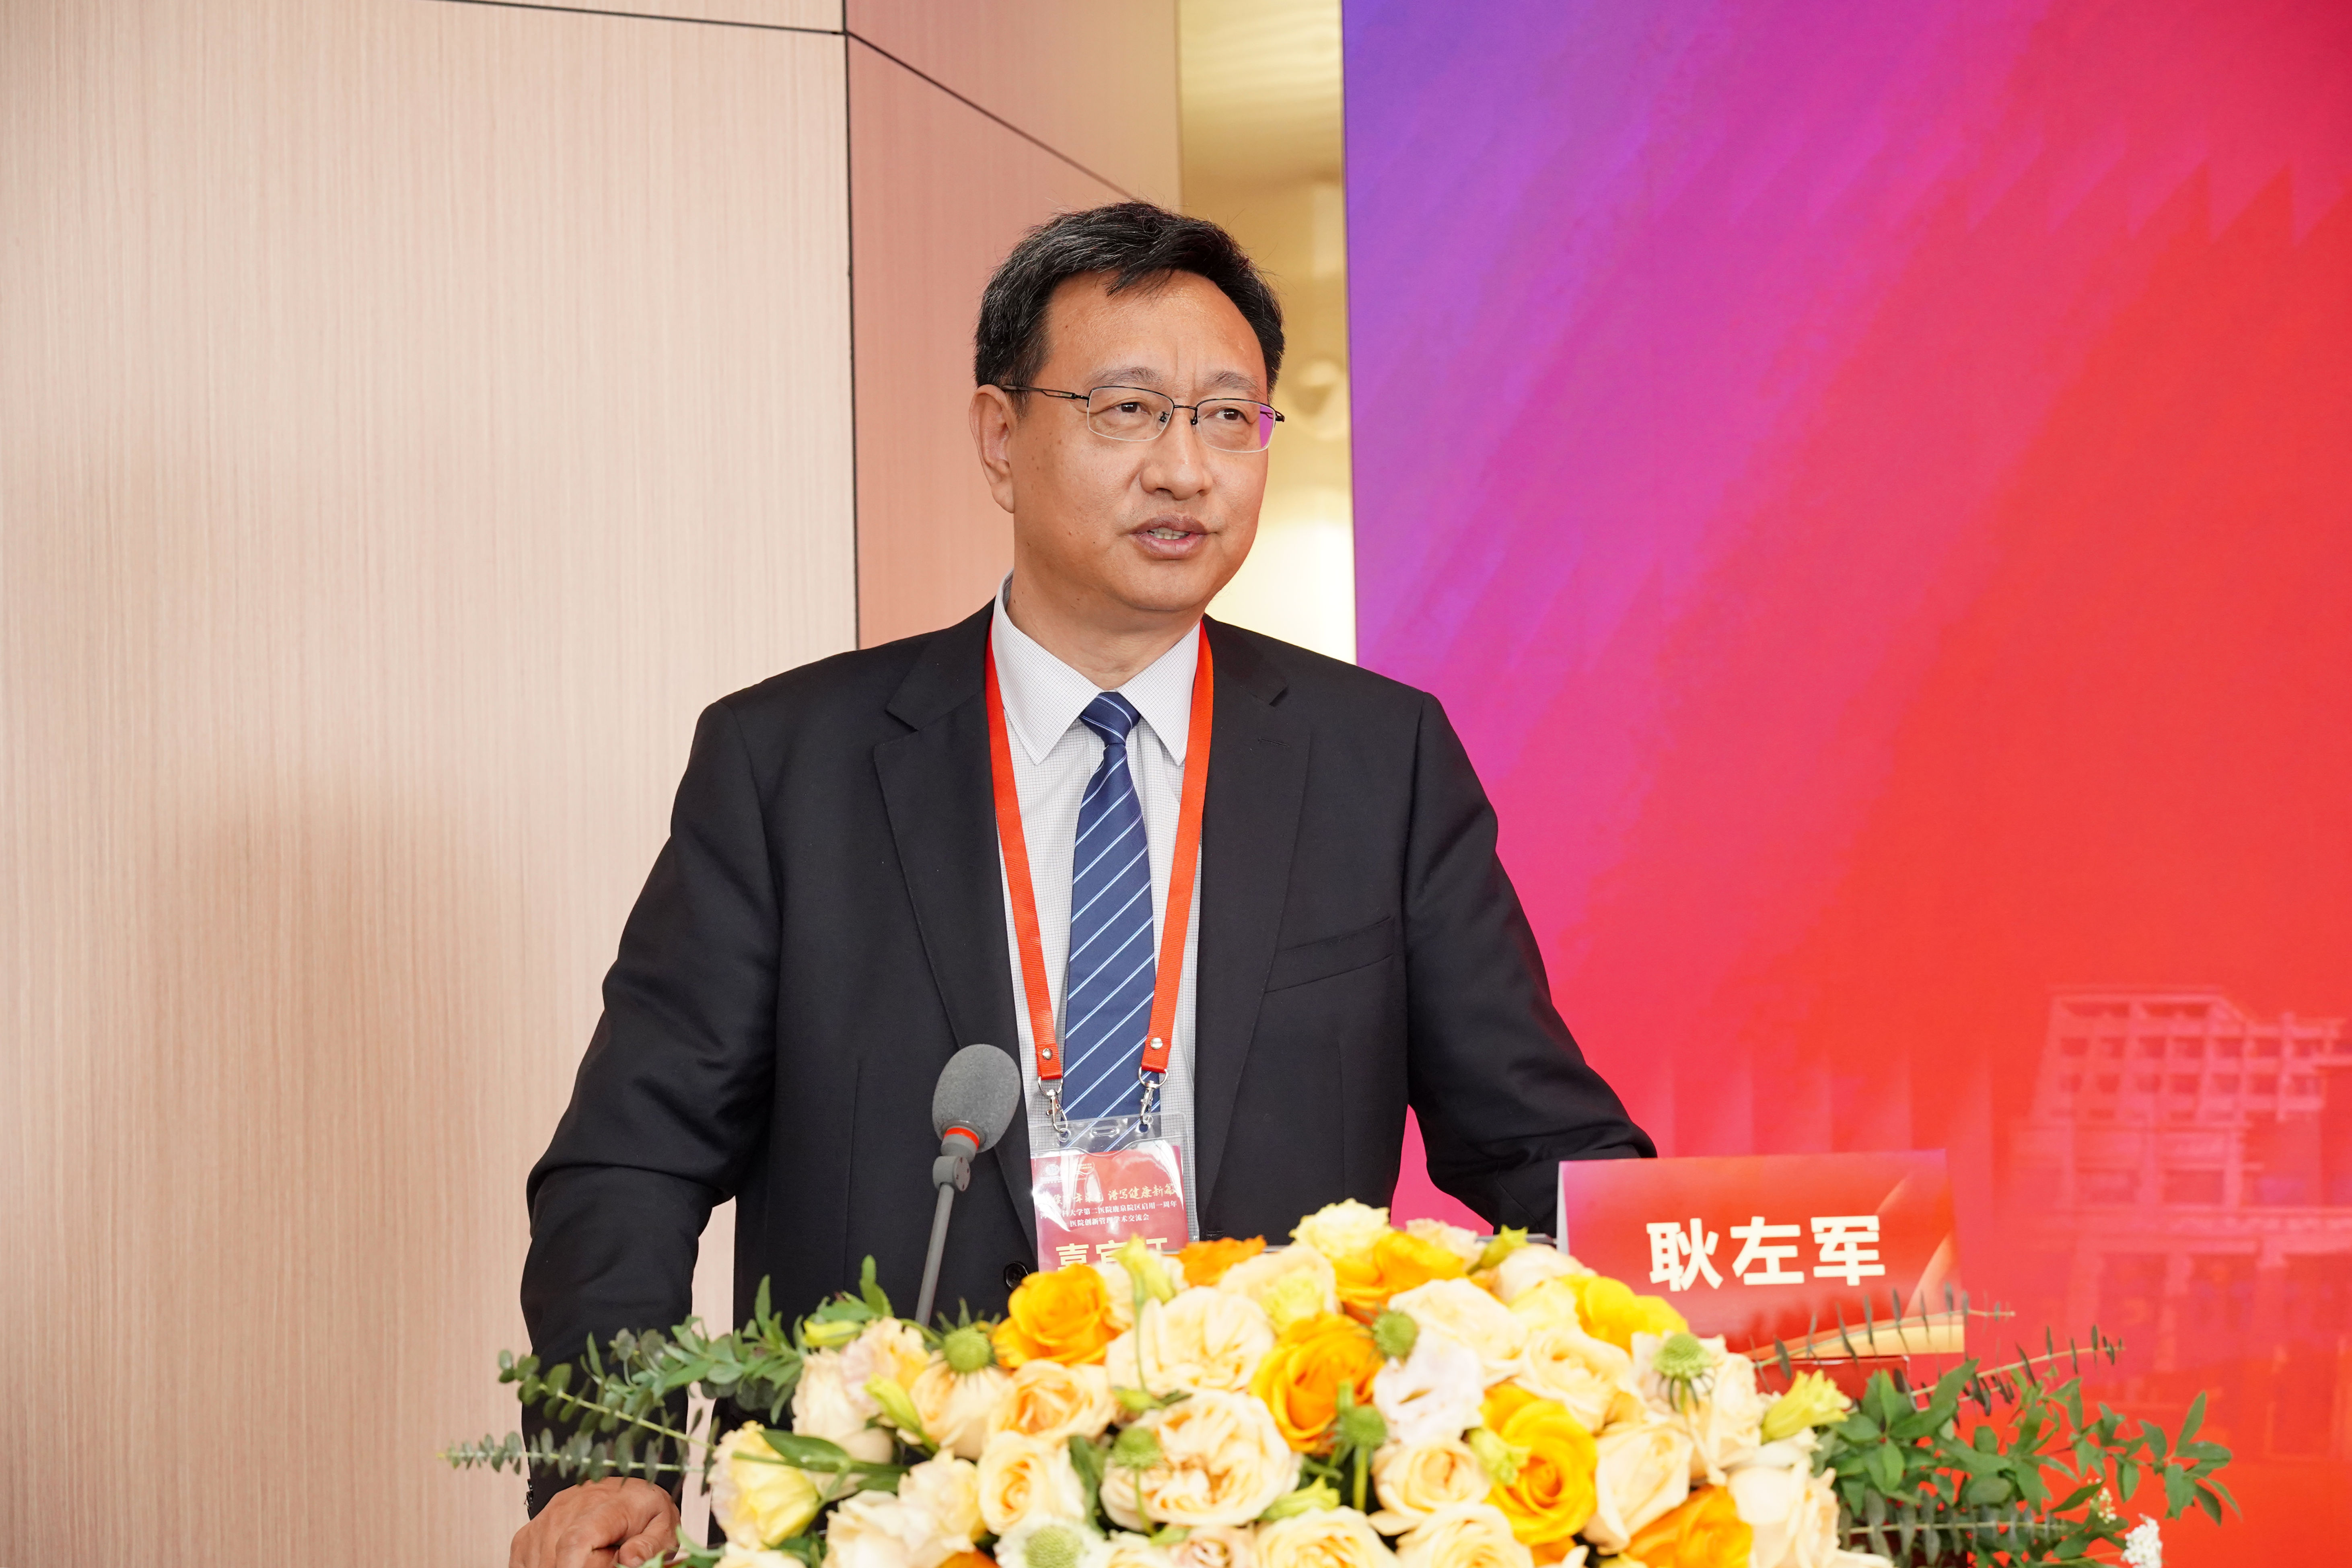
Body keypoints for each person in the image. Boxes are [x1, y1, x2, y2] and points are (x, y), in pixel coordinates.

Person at [508, 202, 1652, 1567]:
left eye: (1228, 417)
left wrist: (1718, 1360)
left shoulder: (1377, 759)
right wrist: (611, 1457)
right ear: (1001, 436)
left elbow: (1536, 1143)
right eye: (1129, 411)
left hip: (1264, 1510)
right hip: (888, 1515)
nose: (1186, 468)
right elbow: (632, 1158)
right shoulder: (790, 764)